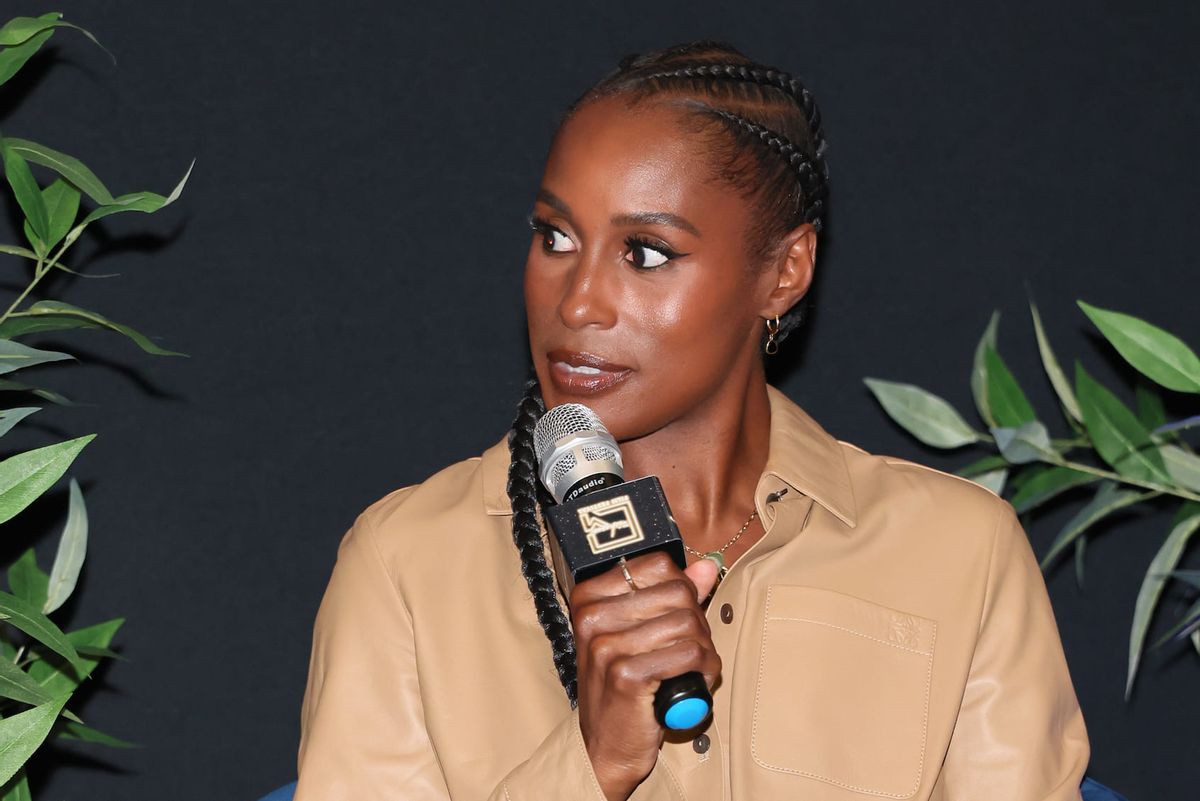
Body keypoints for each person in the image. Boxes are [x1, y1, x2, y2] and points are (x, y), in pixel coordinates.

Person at [294, 41, 1090, 801]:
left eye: (644, 252)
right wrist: (592, 761)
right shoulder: (407, 565)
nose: (575, 303)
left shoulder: (959, 552)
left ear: (785, 271)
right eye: (555, 237)